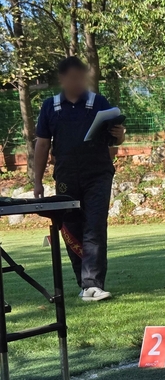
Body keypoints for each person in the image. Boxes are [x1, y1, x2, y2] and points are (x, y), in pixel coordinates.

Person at [34, 56, 126, 301]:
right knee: (71, 228)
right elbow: (42, 145)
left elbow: (115, 141)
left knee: (95, 226)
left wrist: (120, 134)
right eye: (71, 77)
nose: (77, 82)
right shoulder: (49, 106)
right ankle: (84, 284)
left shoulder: (99, 102)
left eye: (81, 77)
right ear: (62, 79)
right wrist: (37, 181)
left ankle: (93, 284)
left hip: (98, 174)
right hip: (66, 176)